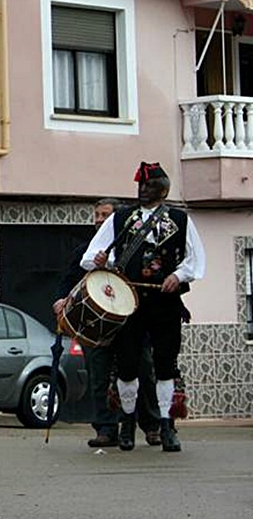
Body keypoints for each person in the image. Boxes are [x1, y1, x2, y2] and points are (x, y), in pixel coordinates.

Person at [81, 162, 205, 453]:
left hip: (164, 303)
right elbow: (90, 256)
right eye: (140, 185)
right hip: (129, 302)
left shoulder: (180, 219)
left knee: (165, 366)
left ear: (163, 189)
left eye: (148, 186)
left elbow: (195, 259)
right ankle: (126, 425)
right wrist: (101, 262)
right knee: (126, 367)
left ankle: (166, 426)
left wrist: (177, 276)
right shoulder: (121, 218)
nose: (142, 190)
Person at [53, 199, 161, 448]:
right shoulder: (85, 252)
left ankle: (152, 425)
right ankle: (106, 428)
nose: (100, 219)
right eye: (97, 215)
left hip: (130, 323)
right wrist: (61, 299)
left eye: (105, 215)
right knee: (99, 375)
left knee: (142, 372)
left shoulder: (135, 250)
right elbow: (68, 279)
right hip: (96, 326)